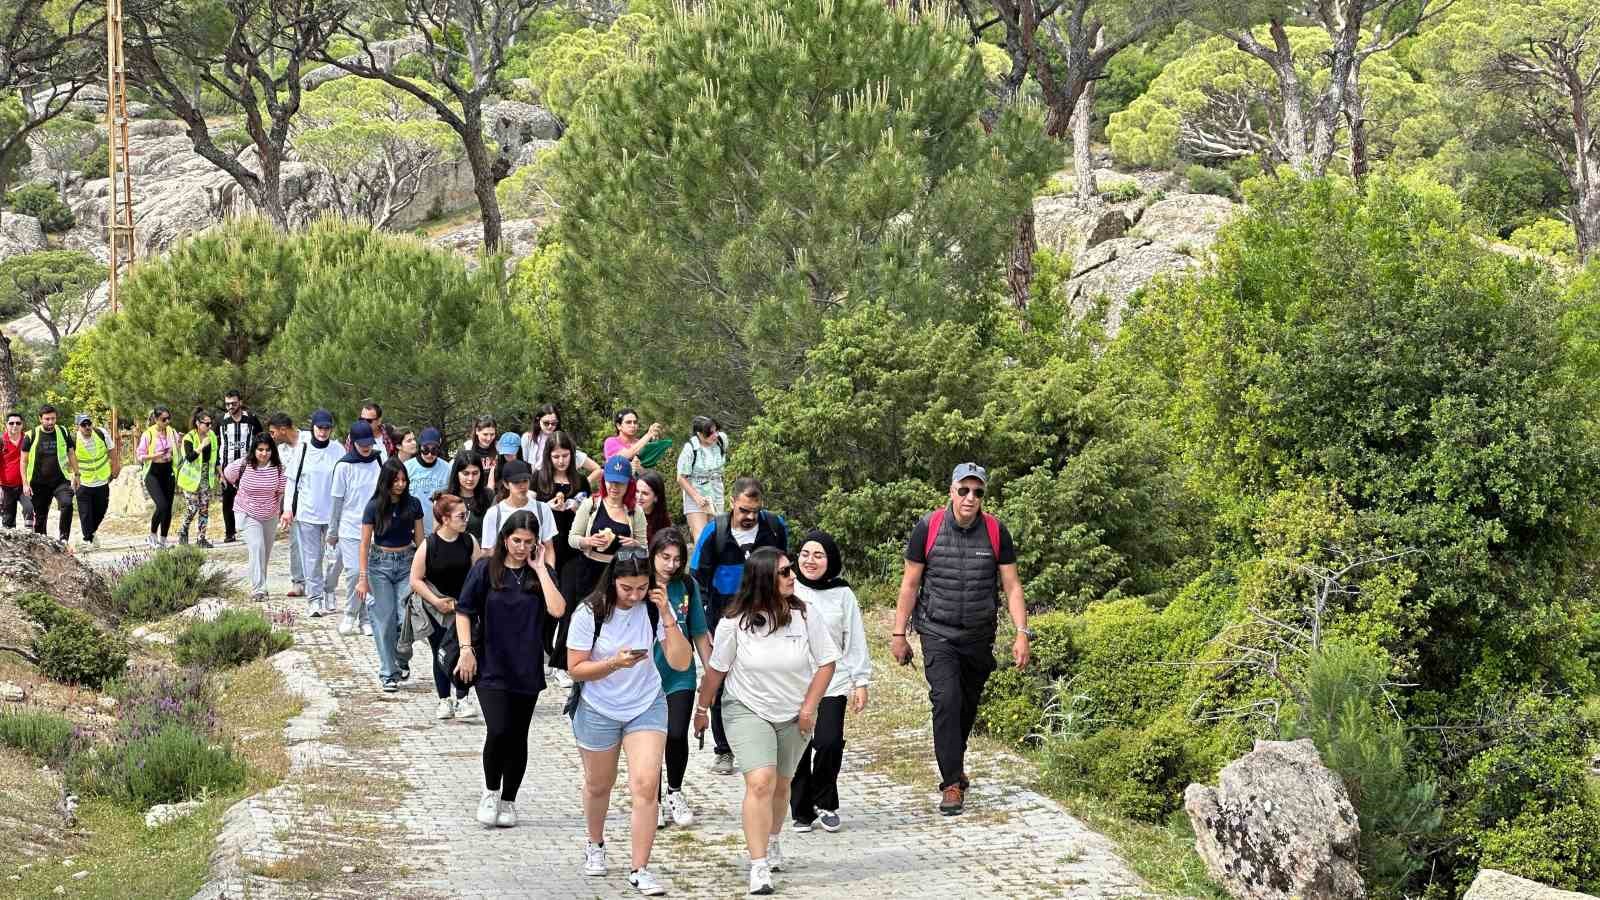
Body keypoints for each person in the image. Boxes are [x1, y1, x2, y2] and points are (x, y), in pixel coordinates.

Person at [693, 548, 838, 896]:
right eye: (785, 571)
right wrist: (701, 709)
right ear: (764, 580)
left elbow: (827, 663)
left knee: (782, 785)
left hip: (793, 712)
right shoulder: (734, 623)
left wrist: (808, 708)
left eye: (791, 570)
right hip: (747, 708)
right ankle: (758, 866)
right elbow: (717, 671)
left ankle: (772, 839)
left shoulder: (805, 616)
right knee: (761, 781)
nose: (792, 576)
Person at [891, 463, 1029, 816]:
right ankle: (951, 783)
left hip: (978, 636)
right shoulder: (929, 527)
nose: (970, 498)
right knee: (947, 701)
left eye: (978, 492)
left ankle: (955, 757)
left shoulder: (997, 531)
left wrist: (1021, 633)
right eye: (964, 490)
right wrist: (898, 633)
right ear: (951, 491)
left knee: (966, 706)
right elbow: (910, 584)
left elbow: (1012, 587)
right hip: (937, 631)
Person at [566, 547, 691, 896]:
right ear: (613, 583)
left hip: (646, 703)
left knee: (647, 783)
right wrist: (614, 664)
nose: (635, 595)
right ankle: (595, 843)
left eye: (641, 587)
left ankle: (640, 868)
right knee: (598, 785)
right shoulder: (589, 613)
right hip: (598, 706)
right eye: (627, 588)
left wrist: (666, 613)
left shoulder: (653, 610)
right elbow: (575, 668)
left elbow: (681, 662)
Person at [454, 510, 567, 829]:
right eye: (516, 540)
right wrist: (466, 651)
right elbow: (464, 611)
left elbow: (558, 610)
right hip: (491, 664)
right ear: (505, 538)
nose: (521, 547)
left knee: (518, 737)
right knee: (499, 730)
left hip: (527, 666)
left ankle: (509, 800)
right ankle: (491, 791)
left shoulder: (540, 574)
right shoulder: (485, 570)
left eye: (528, 542)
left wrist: (541, 568)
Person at [690, 476, 789, 775]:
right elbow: (697, 580)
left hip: (767, 619)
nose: (749, 516)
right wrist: (703, 623)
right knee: (719, 680)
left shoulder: (774, 527)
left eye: (754, 510)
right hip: (725, 619)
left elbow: (785, 568)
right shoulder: (715, 532)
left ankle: (764, 741)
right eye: (744, 509)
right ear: (732, 502)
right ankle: (723, 750)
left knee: (767, 676)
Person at [788, 530, 870, 832]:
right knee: (797, 747)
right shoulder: (788, 587)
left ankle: (825, 802)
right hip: (794, 681)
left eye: (818, 555)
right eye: (806, 554)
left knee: (828, 742)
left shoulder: (843, 593)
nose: (810, 561)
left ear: (830, 560)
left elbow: (856, 639)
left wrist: (861, 680)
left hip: (833, 681)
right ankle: (801, 810)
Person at [649, 527, 713, 829]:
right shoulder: (639, 584)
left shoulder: (687, 585)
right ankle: (654, 800)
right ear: (653, 555)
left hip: (680, 675)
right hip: (647, 676)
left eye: (677, 559)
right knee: (652, 740)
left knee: (675, 734)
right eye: (665, 557)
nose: (671, 565)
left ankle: (674, 791)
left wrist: (711, 673)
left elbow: (699, 631)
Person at [559, 456, 647, 676]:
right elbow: (572, 538)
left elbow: (645, 546)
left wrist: (635, 544)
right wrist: (588, 541)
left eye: (620, 482)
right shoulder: (591, 505)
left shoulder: (634, 511)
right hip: (590, 568)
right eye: (610, 481)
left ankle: (613, 660)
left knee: (612, 618)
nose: (614, 487)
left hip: (618, 572)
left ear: (628, 483)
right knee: (582, 616)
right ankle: (573, 663)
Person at [408, 493, 480, 721]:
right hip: (437, 610)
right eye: (461, 515)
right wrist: (436, 601)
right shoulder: (430, 544)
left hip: (464, 609)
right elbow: (415, 579)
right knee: (440, 653)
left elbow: (478, 573)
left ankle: (462, 698)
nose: (465, 518)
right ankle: (444, 699)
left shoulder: (469, 541)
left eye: (465, 514)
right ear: (445, 519)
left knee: (464, 651)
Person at [358, 458, 424, 691]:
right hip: (379, 566)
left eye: (404, 480)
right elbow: (364, 543)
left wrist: (425, 572)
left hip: (407, 562)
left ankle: (401, 658)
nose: (400, 484)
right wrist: (363, 578)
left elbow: (420, 541)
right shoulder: (374, 506)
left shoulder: (413, 504)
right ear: (386, 482)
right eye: (396, 480)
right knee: (384, 621)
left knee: (403, 617)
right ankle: (388, 672)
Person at [330, 420, 385, 637]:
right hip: (350, 528)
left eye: (369, 442)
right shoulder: (343, 466)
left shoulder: (380, 460)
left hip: (375, 528)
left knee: (369, 575)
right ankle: (350, 614)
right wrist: (333, 532)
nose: (366, 447)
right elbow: (336, 501)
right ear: (353, 442)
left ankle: (365, 618)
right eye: (362, 443)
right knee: (354, 572)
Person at [291, 410, 347, 617]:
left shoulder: (338, 449)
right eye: (319, 427)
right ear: (313, 427)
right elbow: (292, 481)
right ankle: (314, 599)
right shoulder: (303, 449)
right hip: (308, 513)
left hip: (333, 514)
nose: (323, 432)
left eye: (327, 428)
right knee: (312, 559)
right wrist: (289, 508)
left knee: (337, 557)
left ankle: (329, 589)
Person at [223, 435, 286, 601]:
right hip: (247, 513)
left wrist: (282, 512)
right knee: (257, 547)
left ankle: (261, 583)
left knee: (264, 552)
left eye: (267, 450)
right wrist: (238, 487)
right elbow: (228, 474)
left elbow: (281, 491)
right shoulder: (244, 464)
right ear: (254, 450)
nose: (264, 453)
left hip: (270, 514)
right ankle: (258, 588)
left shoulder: (279, 469)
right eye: (260, 450)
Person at [480, 460, 557, 566]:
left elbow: (548, 548)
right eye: (516, 482)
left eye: (525, 481)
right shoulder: (494, 513)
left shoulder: (543, 509)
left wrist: (549, 573)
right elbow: (488, 552)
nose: (522, 486)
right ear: (506, 484)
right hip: (504, 572)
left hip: (535, 571)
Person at [19, 404, 77, 542]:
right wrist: (25, 483)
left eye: (53, 419)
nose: (50, 422)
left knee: (67, 504)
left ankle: (63, 539)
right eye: (47, 419)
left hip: (60, 480)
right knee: (40, 517)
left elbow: (71, 453)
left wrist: (77, 474)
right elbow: (23, 461)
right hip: (39, 484)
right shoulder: (30, 435)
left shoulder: (63, 432)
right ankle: (43, 544)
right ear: (40, 419)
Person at [268, 413, 309, 599]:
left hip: (316, 498)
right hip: (293, 501)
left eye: (273, 432)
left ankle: (319, 581)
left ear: (283, 429)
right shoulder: (281, 451)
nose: (272, 436)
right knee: (295, 541)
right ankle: (298, 582)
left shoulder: (310, 439)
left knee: (321, 544)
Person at [216, 389, 262, 545]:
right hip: (227, 468)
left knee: (250, 499)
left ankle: (252, 530)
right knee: (228, 501)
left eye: (233, 403)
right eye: (227, 404)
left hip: (247, 467)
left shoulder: (252, 420)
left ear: (240, 402)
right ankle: (230, 533)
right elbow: (217, 446)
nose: (230, 406)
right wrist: (219, 471)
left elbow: (262, 440)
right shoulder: (221, 421)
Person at [524, 405, 602, 490]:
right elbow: (527, 466)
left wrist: (583, 484)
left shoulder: (565, 440)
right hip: (539, 485)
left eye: (554, 423)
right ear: (538, 420)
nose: (550, 426)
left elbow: (597, 469)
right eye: (546, 423)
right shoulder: (529, 439)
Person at [675, 416, 727, 542]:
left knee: (716, 534)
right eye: (710, 433)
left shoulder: (721, 441)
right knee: (701, 536)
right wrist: (696, 497)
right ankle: (701, 560)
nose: (714, 435)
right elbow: (681, 477)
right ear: (699, 433)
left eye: (716, 431)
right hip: (696, 492)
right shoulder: (691, 448)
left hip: (715, 492)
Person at [71, 413, 116, 548]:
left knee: (101, 511)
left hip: (102, 480)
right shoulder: (73, 439)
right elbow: (68, 458)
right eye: (83, 425)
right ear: (78, 427)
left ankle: (90, 534)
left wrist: (115, 466)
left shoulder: (101, 433)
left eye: (89, 423)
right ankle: (86, 539)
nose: (87, 427)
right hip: (83, 482)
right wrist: (73, 475)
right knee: (86, 514)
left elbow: (112, 451)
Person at [136, 407, 180, 547]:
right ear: (156, 419)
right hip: (153, 472)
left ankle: (163, 540)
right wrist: (155, 455)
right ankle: (152, 536)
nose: (167, 421)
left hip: (168, 471)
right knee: (162, 505)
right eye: (163, 419)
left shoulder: (172, 432)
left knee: (168, 508)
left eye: (169, 418)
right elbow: (140, 456)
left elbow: (177, 450)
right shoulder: (148, 434)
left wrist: (178, 446)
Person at [177, 409, 219, 548]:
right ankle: (183, 531)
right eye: (206, 424)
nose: (209, 426)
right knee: (192, 507)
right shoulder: (189, 437)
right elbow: (189, 458)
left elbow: (215, 456)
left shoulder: (212, 435)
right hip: (190, 480)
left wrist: (221, 473)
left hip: (206, 477)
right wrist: (201, 446)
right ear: (197, 423)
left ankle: (201, 539)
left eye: (210, 423)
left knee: (204, 508)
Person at [405, 428, 451, 534]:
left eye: (434, 450)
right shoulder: (407, 467)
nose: (430, 454)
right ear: (420, 447)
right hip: (412, 530)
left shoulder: (447, 468)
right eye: (425, 450)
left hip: (439, 529)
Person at [446, 454, 494, 555]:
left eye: (475, 473)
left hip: (484, 555)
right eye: (466, 473)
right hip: (454, 555)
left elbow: (495, 530)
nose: (471, 478)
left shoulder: (489, 495)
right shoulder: (445, 498)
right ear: (456, 473)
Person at [605, 408, 662, 473]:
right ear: (619, 426)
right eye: (628, 422)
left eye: (635, 422)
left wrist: (640, 469)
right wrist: (649, 435)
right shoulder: (611, 442)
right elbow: (628, 454)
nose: (633, 425)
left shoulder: (642, 444)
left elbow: (649, 473)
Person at [1, 410, 31, 530]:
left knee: (29, 509)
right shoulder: (1, 441)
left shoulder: (28, 439)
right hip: (6, 487)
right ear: (6, 425)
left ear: (22, 425)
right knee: (8, 521)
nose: (15, 426)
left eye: (18, 423)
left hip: (25, 485)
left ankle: (31, 538)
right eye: (11, 423)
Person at [463, 416, 500, 492]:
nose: (489, 438)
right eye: (485, 434)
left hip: (494, 494)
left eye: (492, 434)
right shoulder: (467, 448)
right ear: (477, 431)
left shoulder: (499, 448)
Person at [636, 470, 672, 543]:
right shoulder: (626, 514)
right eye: (636, 491)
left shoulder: (664, 522)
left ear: (656, 497)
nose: (639, 497)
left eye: (645, 493)